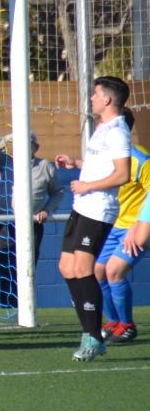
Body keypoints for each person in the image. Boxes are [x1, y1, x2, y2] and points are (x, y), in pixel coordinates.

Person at [55, 76, 132, 362]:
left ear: (108, 99)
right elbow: (102, 165)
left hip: (98, 210)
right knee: (67, 267)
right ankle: (90, 329)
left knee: (84, 268)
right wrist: (76, 164)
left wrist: (87, 185)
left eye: (96, 94)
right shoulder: (102, 128)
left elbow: (122, 174)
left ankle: (94, 336)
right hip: (82, 206)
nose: (92, 98)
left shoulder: (118, 131)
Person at [0, 131, 64, 308]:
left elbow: (58, 192)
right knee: (5, 263)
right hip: (6, 222)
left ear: (35, 148)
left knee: (27, 265)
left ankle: (25, 305)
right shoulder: (6, 162)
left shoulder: (45, 167)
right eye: (20, 144)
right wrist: (9, 137)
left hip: (32, 223)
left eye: (28, 144)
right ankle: (7, 305)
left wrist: (47, 210)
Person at [93, 140, 149, 343]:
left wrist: (139, 225)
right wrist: (74, 162)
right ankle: (114, 321)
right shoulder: (109, 154)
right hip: (116, 225)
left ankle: (127, 325)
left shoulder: (141, 159)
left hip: (136, 227)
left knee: (114, 271)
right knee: (97, 271)